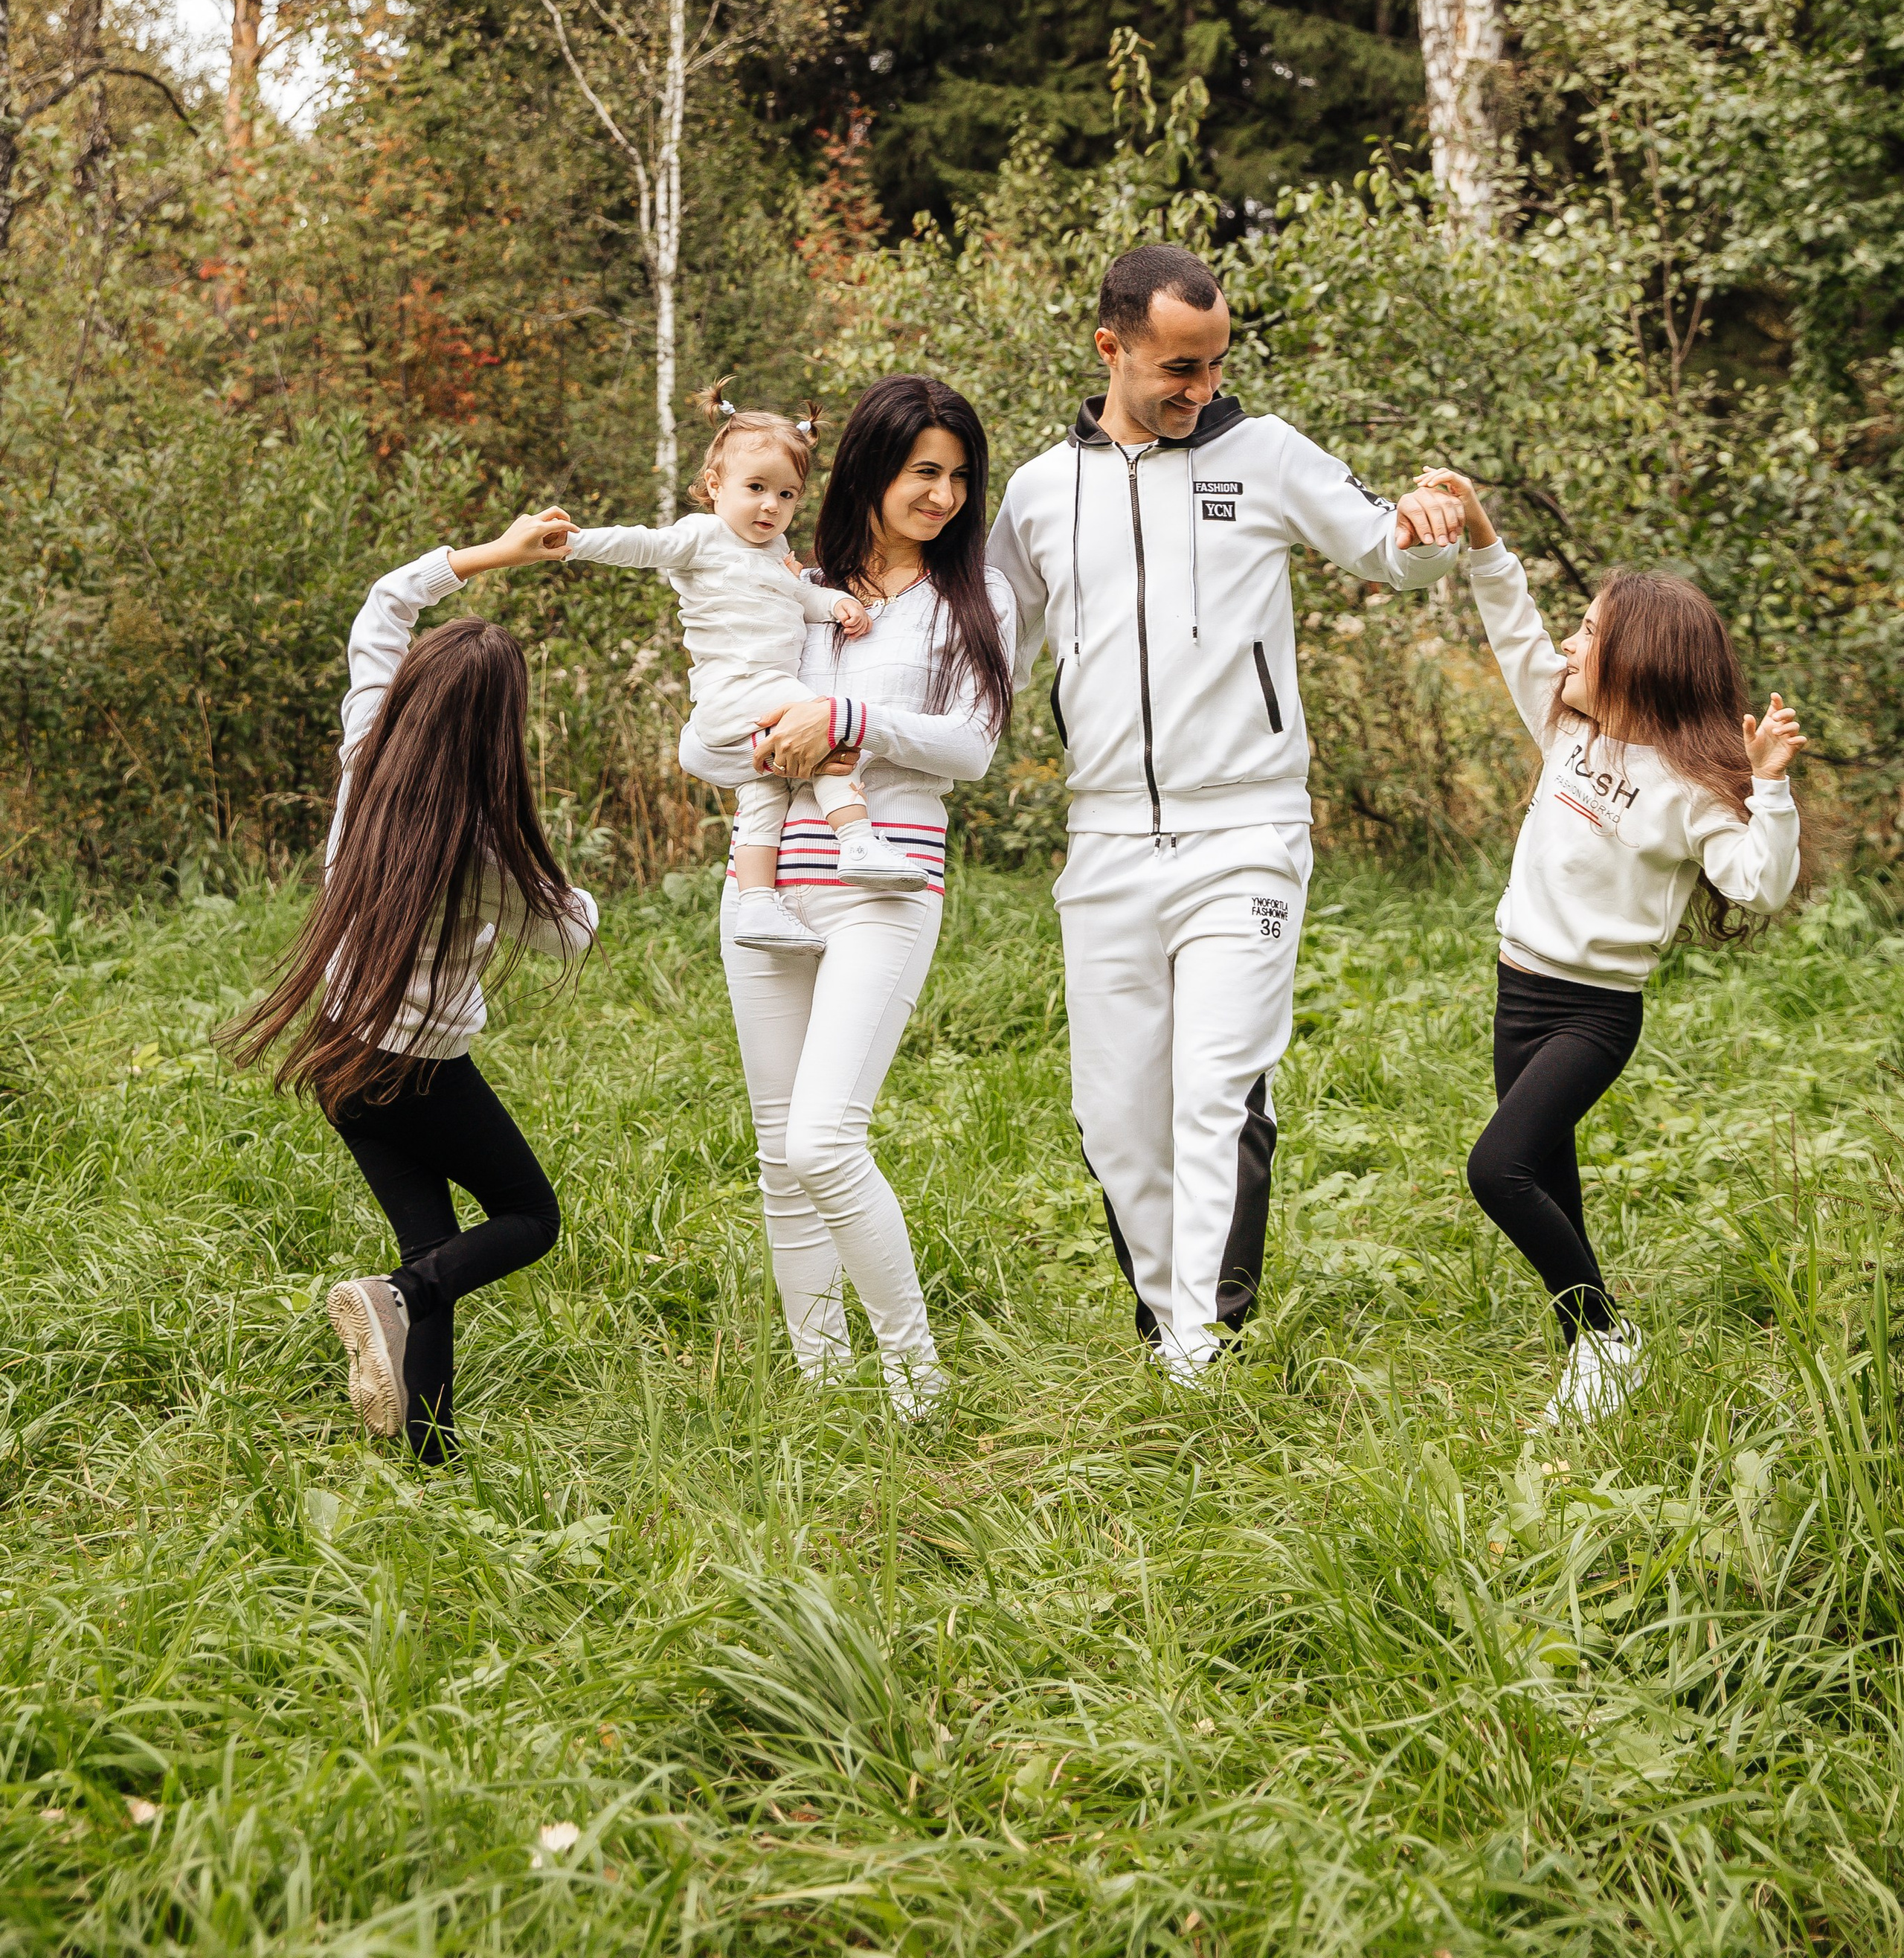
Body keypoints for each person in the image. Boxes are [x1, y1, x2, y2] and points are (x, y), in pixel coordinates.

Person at [985, 244, 1463, 1378]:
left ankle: (1201, 1348)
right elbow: (986, 651)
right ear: (1111, 348)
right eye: (1177, 366)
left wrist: (1431, 525)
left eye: (1214, 362)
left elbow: (1386, 549)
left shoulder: (1265, 454)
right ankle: (1167, 1325)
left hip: (1246, 830)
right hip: (1103, 837)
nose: (1200, 385)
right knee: (1116, 1119)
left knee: (1213, 1090)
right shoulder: (1042, 492)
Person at [1415, 468, 1805, 1422]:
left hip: (1593, 1014)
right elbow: (1512, 622)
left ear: (1641, 661)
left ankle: (1608, 1336)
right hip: (1519, 993)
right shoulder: (1565, 729)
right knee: (1551, 1181)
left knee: (1496, 1170)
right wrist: (1477, 529)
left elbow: (1758, 882)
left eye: (1589, 634)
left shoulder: (1687, 784)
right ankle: (1589, 1361)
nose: (1569, 645)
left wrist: (1769, 789)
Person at [678, 374, 1015, 1413]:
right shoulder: (788, 579)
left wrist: (846, 725)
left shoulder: (974, 598)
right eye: (925, 472)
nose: (945, 497)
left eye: (960, 478)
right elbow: (703, 739)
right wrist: (761, 738)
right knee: (783, 1154)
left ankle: (917, 1384)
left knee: (828, 1136)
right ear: (871, 468)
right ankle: (823, 1389)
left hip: (888, 879)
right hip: (772, 890)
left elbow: (970, 749)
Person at [229, 511, 596, 1463]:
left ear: (414, 699)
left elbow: (386, 603)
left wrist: (498, 553)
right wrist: (554, 870)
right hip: (422, 1072)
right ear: (498, 735)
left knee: (430, 1244)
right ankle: (397, 1304)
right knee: (527, 1220)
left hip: (339, 1058)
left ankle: (430, 1453)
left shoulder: (364, 756)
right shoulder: (485, 853)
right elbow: (570, 935)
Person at [562, 388, 922, 954]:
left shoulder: (775, 549)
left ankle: (757, 906)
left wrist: (833, 604)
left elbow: (794, 596)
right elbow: (641, 545)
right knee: (822, 728)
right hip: (741, 686)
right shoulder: (702, 537)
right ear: (713, 486)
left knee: (764, 795)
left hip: (754, 695)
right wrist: (575, 543)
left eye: (786, 494)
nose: (771, 506)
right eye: (755, 488)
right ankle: (856, 838)